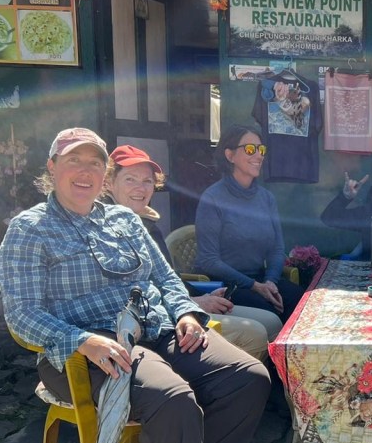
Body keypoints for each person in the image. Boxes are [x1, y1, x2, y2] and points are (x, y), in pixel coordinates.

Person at [0, 127, 270, 443]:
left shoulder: (124, 220)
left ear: (104, 173)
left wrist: (186, 313)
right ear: (52, 168)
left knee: (247, 377)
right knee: (173, 398)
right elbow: (21, 314)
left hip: (154, 331)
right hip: (85, 353)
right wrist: (81, 340)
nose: (84, 171)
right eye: (73, 161)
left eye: (94, 163)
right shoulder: (30, 229)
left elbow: (166, 279)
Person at [104, 144, 283, 361]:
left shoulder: (146, 224)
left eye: (147, 181)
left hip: (181, 301)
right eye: (130, 179)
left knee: (272, 321)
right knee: (255, 333)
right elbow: (129, 294)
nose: (140, 188)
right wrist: (194, 302)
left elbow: (167, 278)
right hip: (152, 321)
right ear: (109, 182)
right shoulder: (105, 228)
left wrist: (199, 296)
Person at [194, 125, 303, 321]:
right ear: (230, 155)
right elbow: (209, 260)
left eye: (261, 149)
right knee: (269, 313)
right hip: (226, 285)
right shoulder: (212, 199)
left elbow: (277, 249)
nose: (259, 155)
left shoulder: (266, 198)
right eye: (250, 149)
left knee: (301, 303)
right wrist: (254, 286)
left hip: (260, 278)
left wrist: (270, 282)